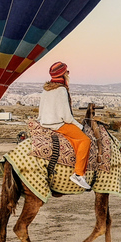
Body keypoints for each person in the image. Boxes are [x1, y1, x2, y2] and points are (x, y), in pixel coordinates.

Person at [38, 61, 92, 190]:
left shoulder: (46, 90)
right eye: (66, 72)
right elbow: (67, 117)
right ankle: (78, 174)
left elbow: (40, 111)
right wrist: (80, 126)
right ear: (63, 74)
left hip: (45, 123)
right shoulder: (61, 90)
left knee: (75, 139)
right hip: (58, 125)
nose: (68, 74)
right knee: (85, 140)